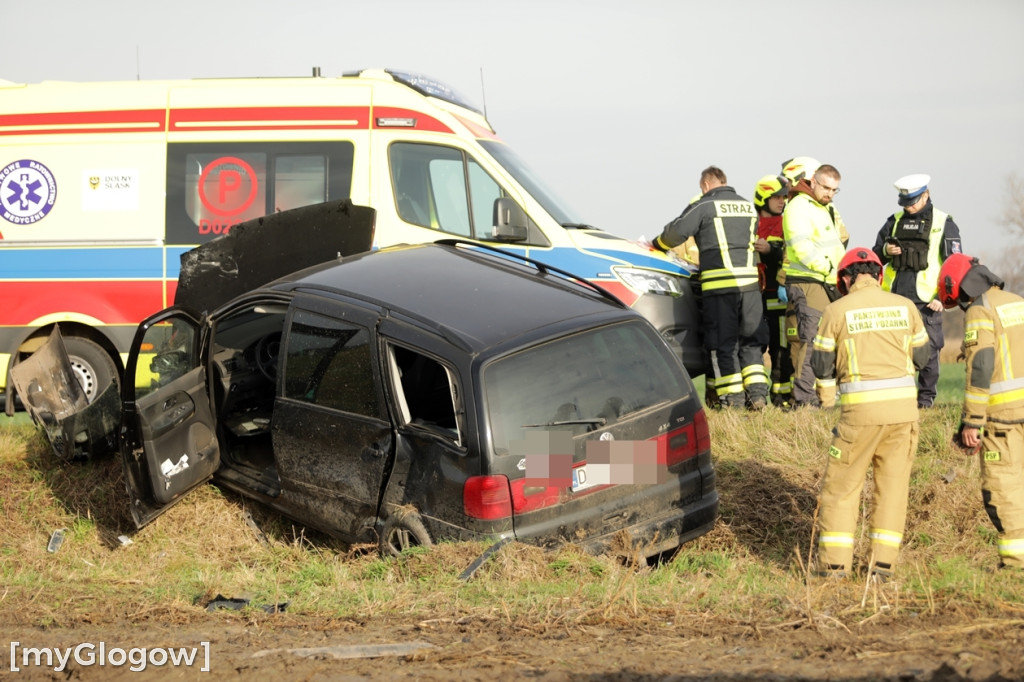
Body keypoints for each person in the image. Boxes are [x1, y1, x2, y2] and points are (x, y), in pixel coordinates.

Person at [810, 247, 929, 579]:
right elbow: (922, 358)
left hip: (858, 418)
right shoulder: (906, 307)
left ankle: (834, 567)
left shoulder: (836, 311)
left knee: (841, 488)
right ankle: (882, 567)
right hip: (904, 416)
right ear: (879, 276)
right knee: (892, 490)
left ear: (845, 280)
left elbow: (821, 364)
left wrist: (827, 398)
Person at [653, 166, 768, 409]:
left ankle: (733, 402)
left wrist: (657, 244)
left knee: (722, 343)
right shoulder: (748, 206)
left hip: (720, 288)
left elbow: (676, 232)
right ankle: (758, 396)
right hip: (750, 289)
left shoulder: (705, 205)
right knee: (751, 342)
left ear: (705, 185)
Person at [942, 254, 1024, 570]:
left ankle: (1016, 564)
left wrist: (972, 421)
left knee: (1003, 488)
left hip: (1003, 417)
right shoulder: (1016, 301)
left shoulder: (980, 309)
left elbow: (982, 366)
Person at [872, 174, 963, 409]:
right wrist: (885, 249)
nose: (909, 207)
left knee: (929, 352)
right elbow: (875, 256)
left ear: (926, 194)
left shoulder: (944, 222)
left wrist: (943, 298)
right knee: (893, 352)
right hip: (895, 301)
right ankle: (897, 399)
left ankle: (925, 401)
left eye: (913, 201)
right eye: (905, 202)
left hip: (927, 302)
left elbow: (954, 265)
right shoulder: (894, 220)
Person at [781, 163, 847, 408]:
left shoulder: (822, 207)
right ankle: (804, 401)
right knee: (811, 341)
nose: (830, 193)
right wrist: (828, 268)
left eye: (835, 190)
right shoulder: (799, 205)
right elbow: (800, 246)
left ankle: (824, 399)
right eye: (826, 187)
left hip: (828, 282)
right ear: (813, 182)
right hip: (809, 281)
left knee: (829, 341)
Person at [752, 174, 793, 407]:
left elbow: (790, 255)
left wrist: (771, 250)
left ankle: (781, 398)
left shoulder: (787, 222)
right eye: (775, 197)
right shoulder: (751, 222)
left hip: (778, 296)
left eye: (783, 197)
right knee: (754, 347)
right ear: (763, 198)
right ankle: (755, 398)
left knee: (781, 349)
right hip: (754, 297)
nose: (781, 201)